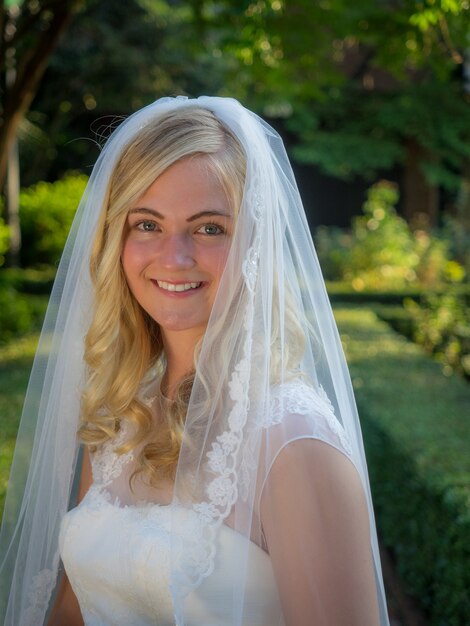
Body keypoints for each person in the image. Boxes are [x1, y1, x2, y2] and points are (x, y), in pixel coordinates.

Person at [0, 96, 390, 625]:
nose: (174, 257)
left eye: (209, 228)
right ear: (117, 238)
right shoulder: (124, 412)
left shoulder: (296, 447)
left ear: (255, 242)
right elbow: (74, 608)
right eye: (147, 224)